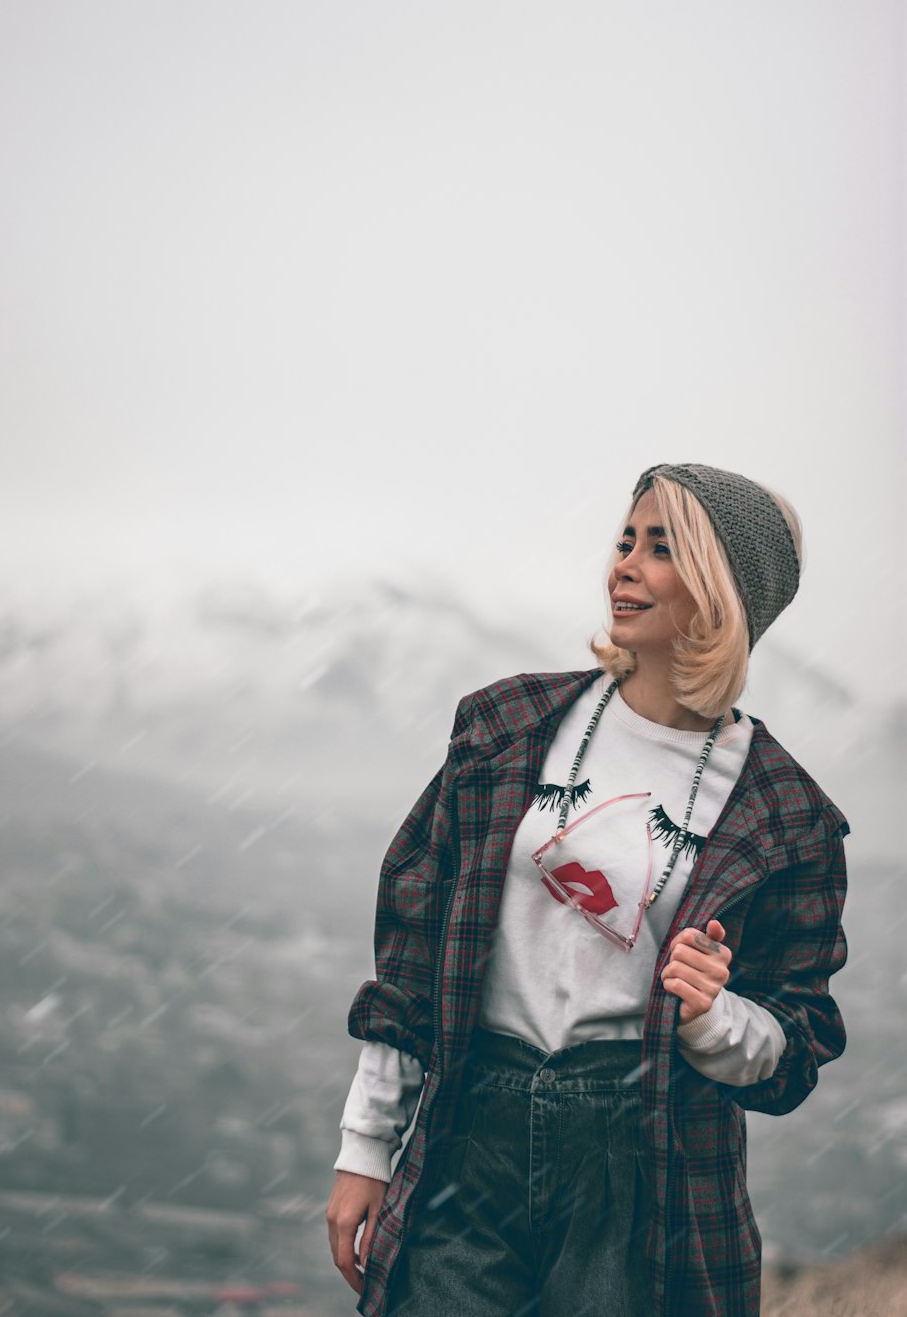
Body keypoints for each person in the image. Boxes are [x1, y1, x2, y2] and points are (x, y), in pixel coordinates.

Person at [325, 463, 849, 1317]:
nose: (625, 566)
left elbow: (796, 1046)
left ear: (722, 591)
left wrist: (712, 1019)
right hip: (470, 1134)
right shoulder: (506, 726)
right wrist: (365, 1145)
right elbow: (412, 946)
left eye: (662, 549)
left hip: (645, 1164)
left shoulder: (785, 813)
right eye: (624, 541)